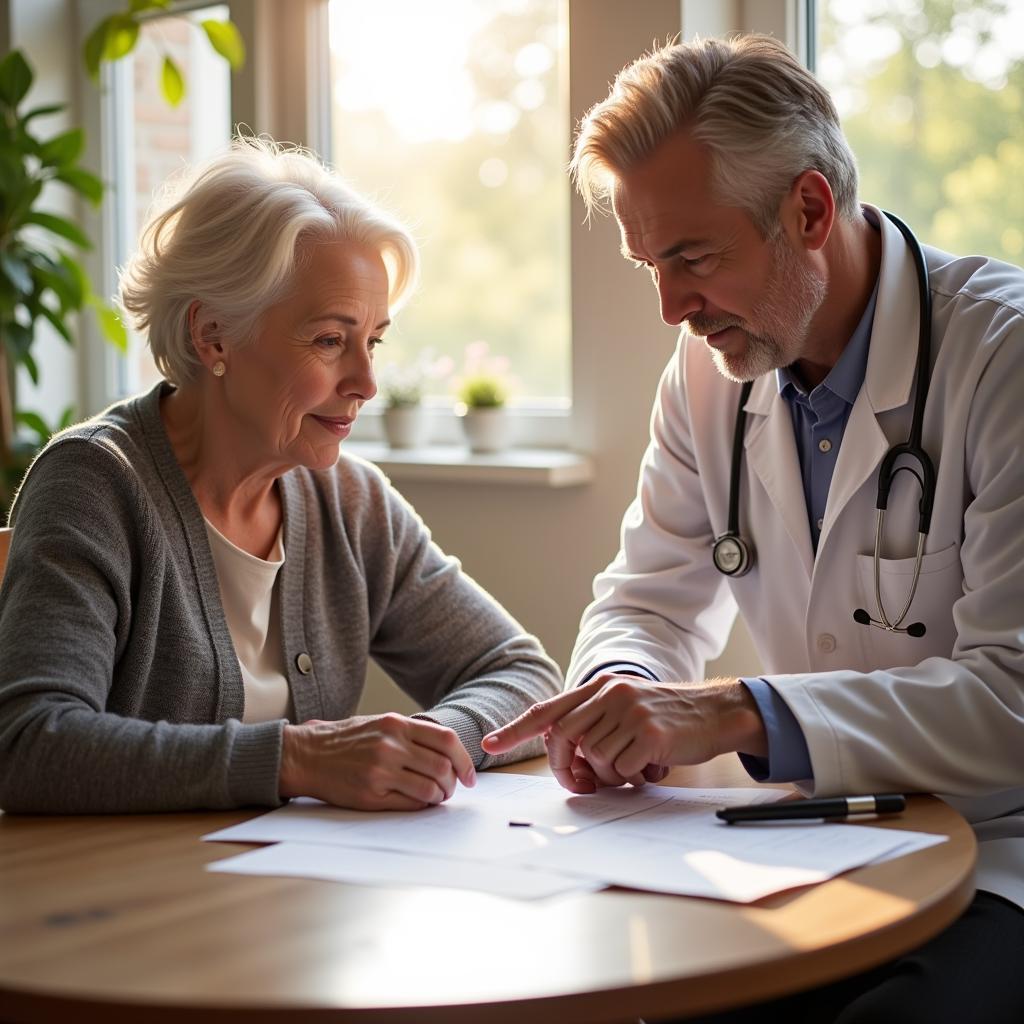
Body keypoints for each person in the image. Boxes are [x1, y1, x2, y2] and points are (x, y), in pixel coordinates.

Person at [483, 33, 1024, 1022]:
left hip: (1001, 848)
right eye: (649, 262)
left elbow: (1014, 698)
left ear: (809, 210)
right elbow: (647, 593)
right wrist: (623, 685)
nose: (668, 306)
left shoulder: (1003, 361)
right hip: (814, 839)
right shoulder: (707, 375)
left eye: (691, 257)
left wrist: (745, 710)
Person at [0, 138, 561, 815]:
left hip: (286, 893)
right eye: (330, 340)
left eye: (373, 341)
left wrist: (430, 744)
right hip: (131, 903)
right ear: (213, 336)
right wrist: (297, 758)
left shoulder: (350, 501)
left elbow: (521, 674)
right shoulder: (95, 484)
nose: (366, 382)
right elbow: (30, 743)